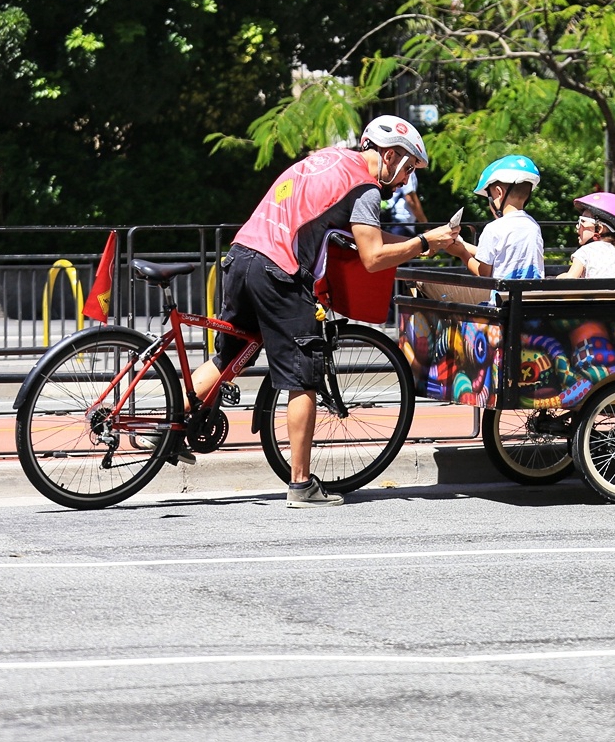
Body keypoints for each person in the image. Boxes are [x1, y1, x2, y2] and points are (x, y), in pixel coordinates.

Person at [192, 116, 459, 507]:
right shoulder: (366, 188)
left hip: (242, 256)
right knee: (303, 377)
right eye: (409, 168)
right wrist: (421, 242)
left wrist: (430, 243)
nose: (406, 180)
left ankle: (169, 428)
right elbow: (372, 257)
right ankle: (301, 485)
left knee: (228, 357)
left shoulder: (329, 159)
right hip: (279, 271)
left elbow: (364, 235)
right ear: (391, 156)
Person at [447, 155, 544, 282]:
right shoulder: (533, 226)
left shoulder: (493, 229)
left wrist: (462, 253)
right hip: (531, 295)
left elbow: (484, 275)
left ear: (499, 193)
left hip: (502, 295)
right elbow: (502, 253)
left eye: (489, 197)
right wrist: (463, 245)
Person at [557, 192, 615, 279]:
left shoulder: (584, 252)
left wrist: (561, 277)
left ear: (599, 229)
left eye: (582, 221)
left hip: (595, 289)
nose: (577, 226)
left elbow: (570, 281)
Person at [385, 172, 427, 238]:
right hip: (401, 221)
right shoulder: (408, 171)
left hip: (397, 221)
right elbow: (411, 200)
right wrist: (425, 226)